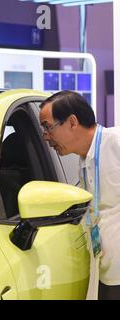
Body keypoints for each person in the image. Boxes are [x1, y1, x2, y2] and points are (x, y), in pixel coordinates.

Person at [39, 90, 120, 300]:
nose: (46, 136)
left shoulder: (115, 142)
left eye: (48, 127)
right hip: (107, 270)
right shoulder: (83, 162)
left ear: (72, 122)